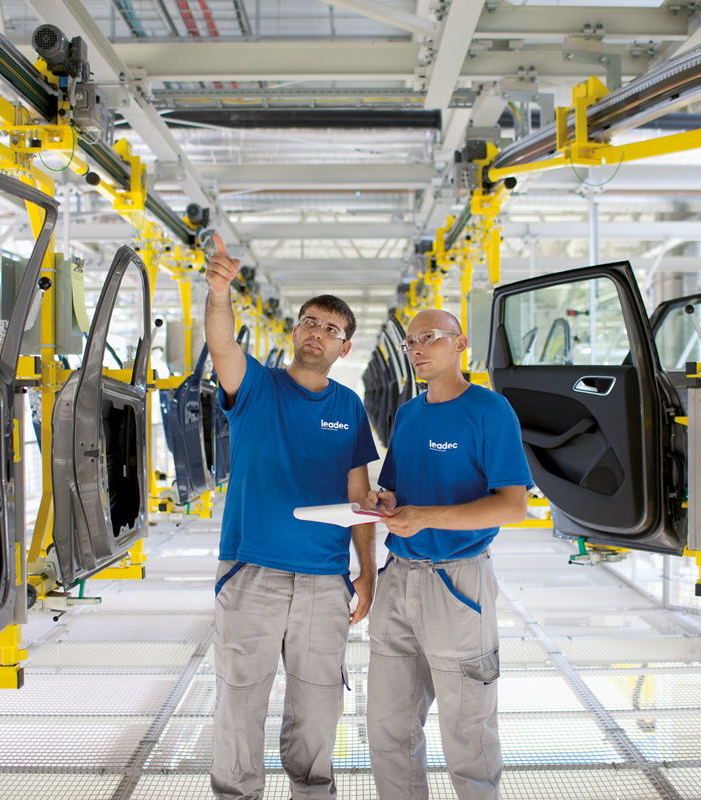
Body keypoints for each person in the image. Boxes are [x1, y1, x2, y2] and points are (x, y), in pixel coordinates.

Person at [204, 234, 378, 799]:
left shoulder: (349, 407)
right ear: (295, 331)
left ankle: (313, 791)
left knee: (319, 703)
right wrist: (219, 293)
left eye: (331, 329)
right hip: (253, 570)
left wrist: (367, 571)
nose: (317, 333)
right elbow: (222, 345)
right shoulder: (256, 386)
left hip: (325, 580)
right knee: (240, 699)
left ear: (344, 347)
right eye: (309, 322)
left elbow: (359, 495)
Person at [364, 308, 532, 800]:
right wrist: (385, 502)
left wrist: (427, 517)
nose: (416, 348)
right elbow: (398, 490)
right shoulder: (408, 415)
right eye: (410, 342)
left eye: (429, 337)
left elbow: (513, 505)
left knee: (467, 728)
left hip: (456, 584)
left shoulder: (490, 410)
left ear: (460, 344)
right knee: (388, 726)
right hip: (398, 577)